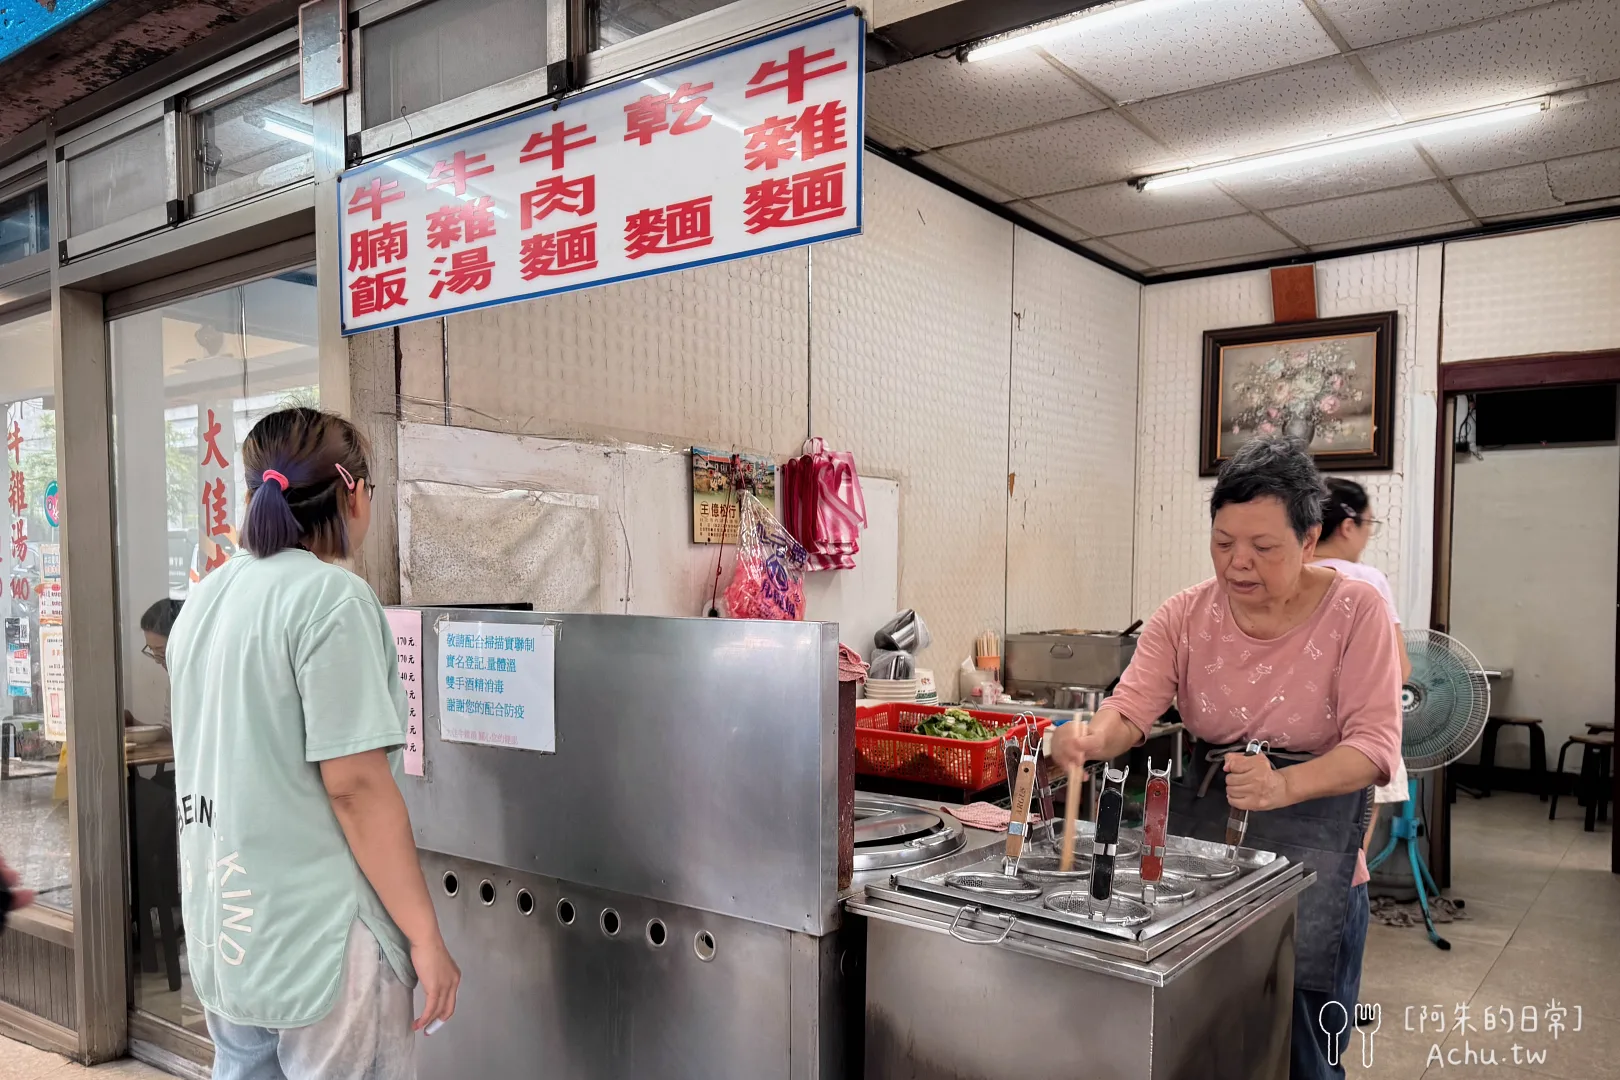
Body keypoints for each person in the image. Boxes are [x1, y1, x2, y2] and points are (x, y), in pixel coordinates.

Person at [1052, 436, 1401, 1080]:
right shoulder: (1184, 614)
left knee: (1303, 1053)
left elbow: (1375, 748)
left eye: (1263, 547)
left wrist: (1283, 786)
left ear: (1309, 537)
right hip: (1204, 852)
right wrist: (1092, 740)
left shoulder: (1357, 610)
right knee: (1202, 1035)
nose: (1239, 563)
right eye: (1223, 542)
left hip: (1315, 852)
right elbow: (1131, 709)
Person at [168, 408, 458, 1080]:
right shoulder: (333, 600)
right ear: (352, 492)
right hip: (326, 939)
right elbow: (354, 787)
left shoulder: (205, 601)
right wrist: (425, 937)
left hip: (229, 922)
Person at [1312, 478, 1412, 851]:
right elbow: (1398, 669)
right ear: (1348, 525)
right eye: (1369, 525)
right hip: (1354, 744)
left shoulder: (1282, 572)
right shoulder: (1367, 581)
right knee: (1347, 862)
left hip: (1282, 744)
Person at [126, 598, 183, 727]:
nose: (157, 660)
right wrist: (133, 724)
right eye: (152, 650)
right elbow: (170, 730)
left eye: (161, 651)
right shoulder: (174, 677)